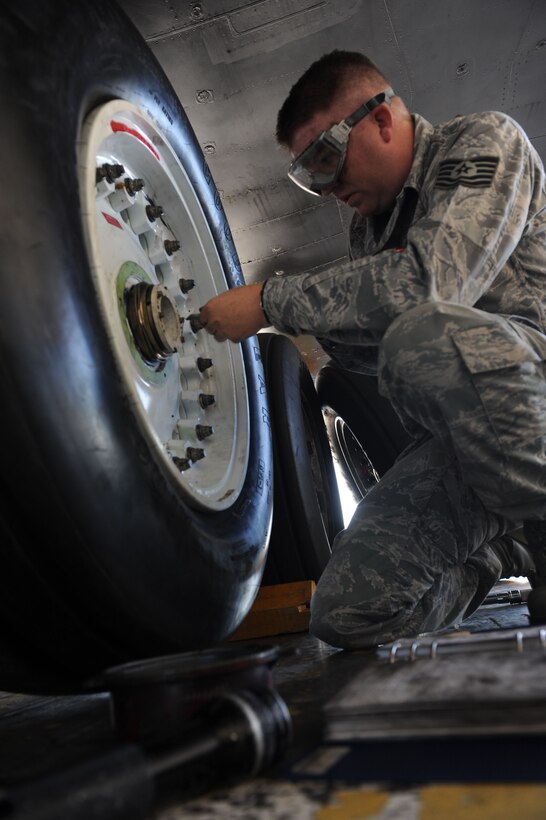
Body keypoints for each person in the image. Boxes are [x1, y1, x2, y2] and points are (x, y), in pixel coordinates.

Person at [199, 50, 546, 649]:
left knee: (420, 334)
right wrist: (330, 324)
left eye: (328, 160)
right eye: (312, 177)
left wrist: (269, 302)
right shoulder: (370, 232)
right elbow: (370, 361)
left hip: (533, 404)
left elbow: (429, 286)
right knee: (348, 613)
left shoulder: (481, 144)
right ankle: (509, 545)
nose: (329, 188)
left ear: (382, 120)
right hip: (465, 448)